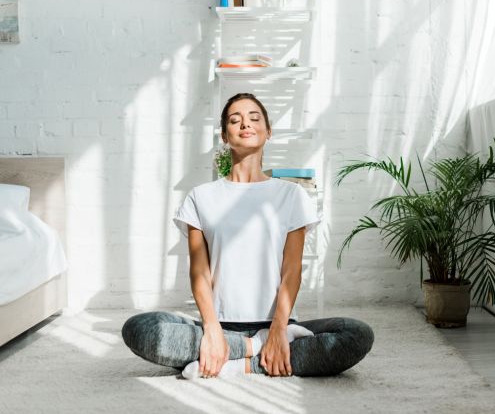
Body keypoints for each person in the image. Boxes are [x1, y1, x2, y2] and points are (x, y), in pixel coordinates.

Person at [121, 93, 374, 379]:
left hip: (279, 323)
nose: (245, 123)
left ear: (268, 132)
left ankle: (236, 362)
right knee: (140, 328)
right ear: (224, 135)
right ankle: (255, 348)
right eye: (234, 119)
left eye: (254, 118)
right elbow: (199, 273)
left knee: (356, 334)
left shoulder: (292, 195)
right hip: (220, 324)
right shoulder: (201, 197)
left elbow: (291, 271)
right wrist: (212, 330)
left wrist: (278, 329)